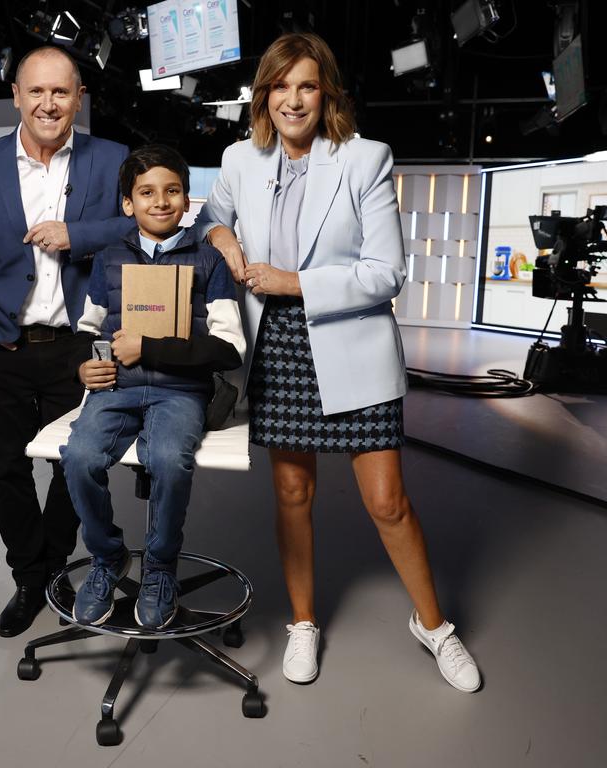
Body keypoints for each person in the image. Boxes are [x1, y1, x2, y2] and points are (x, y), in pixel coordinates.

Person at [195, 32, 481, 691]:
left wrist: (291, 280)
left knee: (388, 502)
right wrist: (226, 246)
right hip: (278, 348)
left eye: (307, 85)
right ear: (264, 95)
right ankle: (303, 623)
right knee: (293, 493)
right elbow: (213, 214)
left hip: (348, 340)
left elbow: (388, 273)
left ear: (327, 93)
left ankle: (434, 626)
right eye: (280, 86)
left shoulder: (364, 159)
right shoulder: (242, 158)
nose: (293, 99)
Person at [0, 47, 136, 638]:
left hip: (78, 348)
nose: (48, 104)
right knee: (8, 469)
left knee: (77, 466)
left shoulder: (113, 159)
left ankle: (52, 567)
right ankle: (31, 576)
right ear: (16, 96)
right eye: (36, 92)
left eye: (61, 93)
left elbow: (142, 222)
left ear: (79, 99)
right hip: (0, 347)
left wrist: (78, 233)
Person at [59, 144, 245, 630]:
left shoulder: (210, 261)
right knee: (78, 457)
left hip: (181, 392)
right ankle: (108, 556)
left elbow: (229, 349)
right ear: (128, 203)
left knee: (167, 459)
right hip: (115, 388)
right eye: (146, 192)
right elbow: (87, 327)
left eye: (172, 191)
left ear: (187, 201)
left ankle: (160, 566)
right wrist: (85, 365)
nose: (160, 201)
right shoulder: (107, 259)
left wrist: (152, 348)